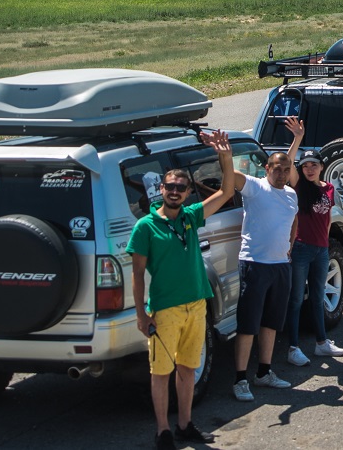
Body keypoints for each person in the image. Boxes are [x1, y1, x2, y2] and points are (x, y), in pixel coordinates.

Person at [129, 130, 238, 450]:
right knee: (161, 372)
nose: (175, 191)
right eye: (169, 187)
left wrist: (225, 155)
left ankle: (185, 424)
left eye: (181, 187)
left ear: (188, 191)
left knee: (188, 369)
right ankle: (163, 431)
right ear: (160, 190)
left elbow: (227, 190)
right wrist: (141, 314)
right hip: (165, 309)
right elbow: (137, 274)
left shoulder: (191, 216)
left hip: (197, 305)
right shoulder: (145, 227)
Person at [232, 136, 301, 402]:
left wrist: (291, 244)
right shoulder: (255, 187)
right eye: (277, 168)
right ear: (266, 169)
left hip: (281, 266)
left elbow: (294, 221)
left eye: (286, 169)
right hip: (255, 265)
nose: (282, 173)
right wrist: (224, 154)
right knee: (248, 324)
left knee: (271, 323)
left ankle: (264, 372)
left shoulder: (291, 194)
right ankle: (240, 379)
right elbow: (233, 176)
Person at [283, 120, 343, 367]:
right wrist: (297, 138)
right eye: (305, 166)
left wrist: (325, 242)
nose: (309, 169)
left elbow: (327, 217)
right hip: (300, 249)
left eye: (314, 165)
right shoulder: (299, 186)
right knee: (297, 298)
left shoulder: (329, 188)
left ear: (322, 167)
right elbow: (288, 163)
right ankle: (293, 347)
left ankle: (322, 343)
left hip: (321, 249)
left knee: (319, 296)